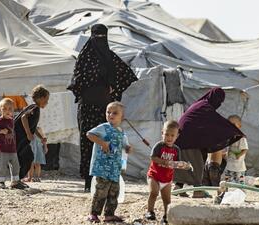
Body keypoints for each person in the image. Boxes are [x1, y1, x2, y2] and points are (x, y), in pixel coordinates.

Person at [67, 23, 137, 192]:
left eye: (102, 37)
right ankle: (88, 181)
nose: (100, 40)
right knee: (88, 141)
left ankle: (105, 179)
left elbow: (126, 75)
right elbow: (77, 81)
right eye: (97, 36)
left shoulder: (110, 57)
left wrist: (113, 88)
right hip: (88, 109)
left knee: (107, 142)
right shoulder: (84, 57)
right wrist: (99, 83)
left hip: (106, 110)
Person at [174, 87, 245, 198]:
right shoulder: (205, 108)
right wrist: (234, 131)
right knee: (198, 163)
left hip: (180, 139)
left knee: (187, 163)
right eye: (219, 100)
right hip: (189, 141)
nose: (219, 103)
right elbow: (218, 123)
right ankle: (197, 191)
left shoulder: (199, 105)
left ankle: (178, 187)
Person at [0, 85, 49, 186]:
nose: (47, 102)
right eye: (46, 100)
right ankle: (14, 180)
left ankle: (15, 179)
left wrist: (41, 137)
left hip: (19, 138)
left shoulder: (33, 108)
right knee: (10, 157)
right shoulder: (35, 108)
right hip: (17, 138)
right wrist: (28, 133)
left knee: (23, 157)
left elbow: (33, 127)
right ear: (41, 98)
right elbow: (23, 118)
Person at [86, 102, 131, 223]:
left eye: (115, 113)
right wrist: (103, 143)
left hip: (115, 167)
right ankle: (94, 213)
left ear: (122, 116)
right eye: (108, 112)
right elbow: (89, 134)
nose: (110, 114)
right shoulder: (104, 127)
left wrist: (127, 148)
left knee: (114, 191)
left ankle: (109, 214)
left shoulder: (121, 131)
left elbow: (123, 145)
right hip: (103, 166)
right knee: (101, 190)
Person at [145, 120, 189, 224]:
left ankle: (166, 216)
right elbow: (153, 157)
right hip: (154, 175)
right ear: (162, 133)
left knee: (167, 199)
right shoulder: (159, 146)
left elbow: (176, 163)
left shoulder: (176, 149)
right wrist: (164, 162)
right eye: (167, 134)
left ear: (177, 136)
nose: (169, 138)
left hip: (167, 178)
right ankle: (150, 211)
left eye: (172, 135)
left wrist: (183, 165)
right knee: (153, 192)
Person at [0, 98, 24, 189]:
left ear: (13, 110)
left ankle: (15, 181)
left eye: (10, 109)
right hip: (3, 149)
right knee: (3, 166)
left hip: (12, 148)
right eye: (4, 109)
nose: (7, 111)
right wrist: (0, 131)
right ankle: (1, 182)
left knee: (15, 165)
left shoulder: (11, 120)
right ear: (0, 110)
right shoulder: (0, 120)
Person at [225, 115, 248, 184]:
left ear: (239, 126)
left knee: (240, 182)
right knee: (227, 181)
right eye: (229, 125)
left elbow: (245, 149)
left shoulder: (241, 138)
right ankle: (227, 192)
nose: (231, 126)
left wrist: (239, 155)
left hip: (239, 167)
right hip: (229, 165)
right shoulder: (229, 137)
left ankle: (241, 192)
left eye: (234, 124)